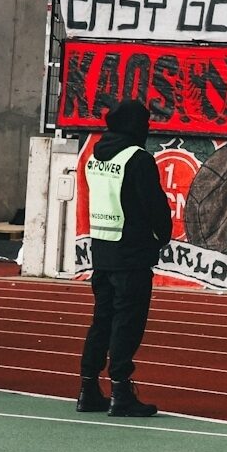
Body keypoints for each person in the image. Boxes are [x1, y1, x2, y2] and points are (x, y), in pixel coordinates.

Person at [77, 100, 170, 417]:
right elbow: (154, 205)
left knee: (101, 322)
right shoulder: (138, 159)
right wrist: (163, 235)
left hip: (102, 252)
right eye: (145, 123)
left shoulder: (95, 157)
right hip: (131, 254)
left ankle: (88, 388)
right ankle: (120, 392)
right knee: (126, 324)